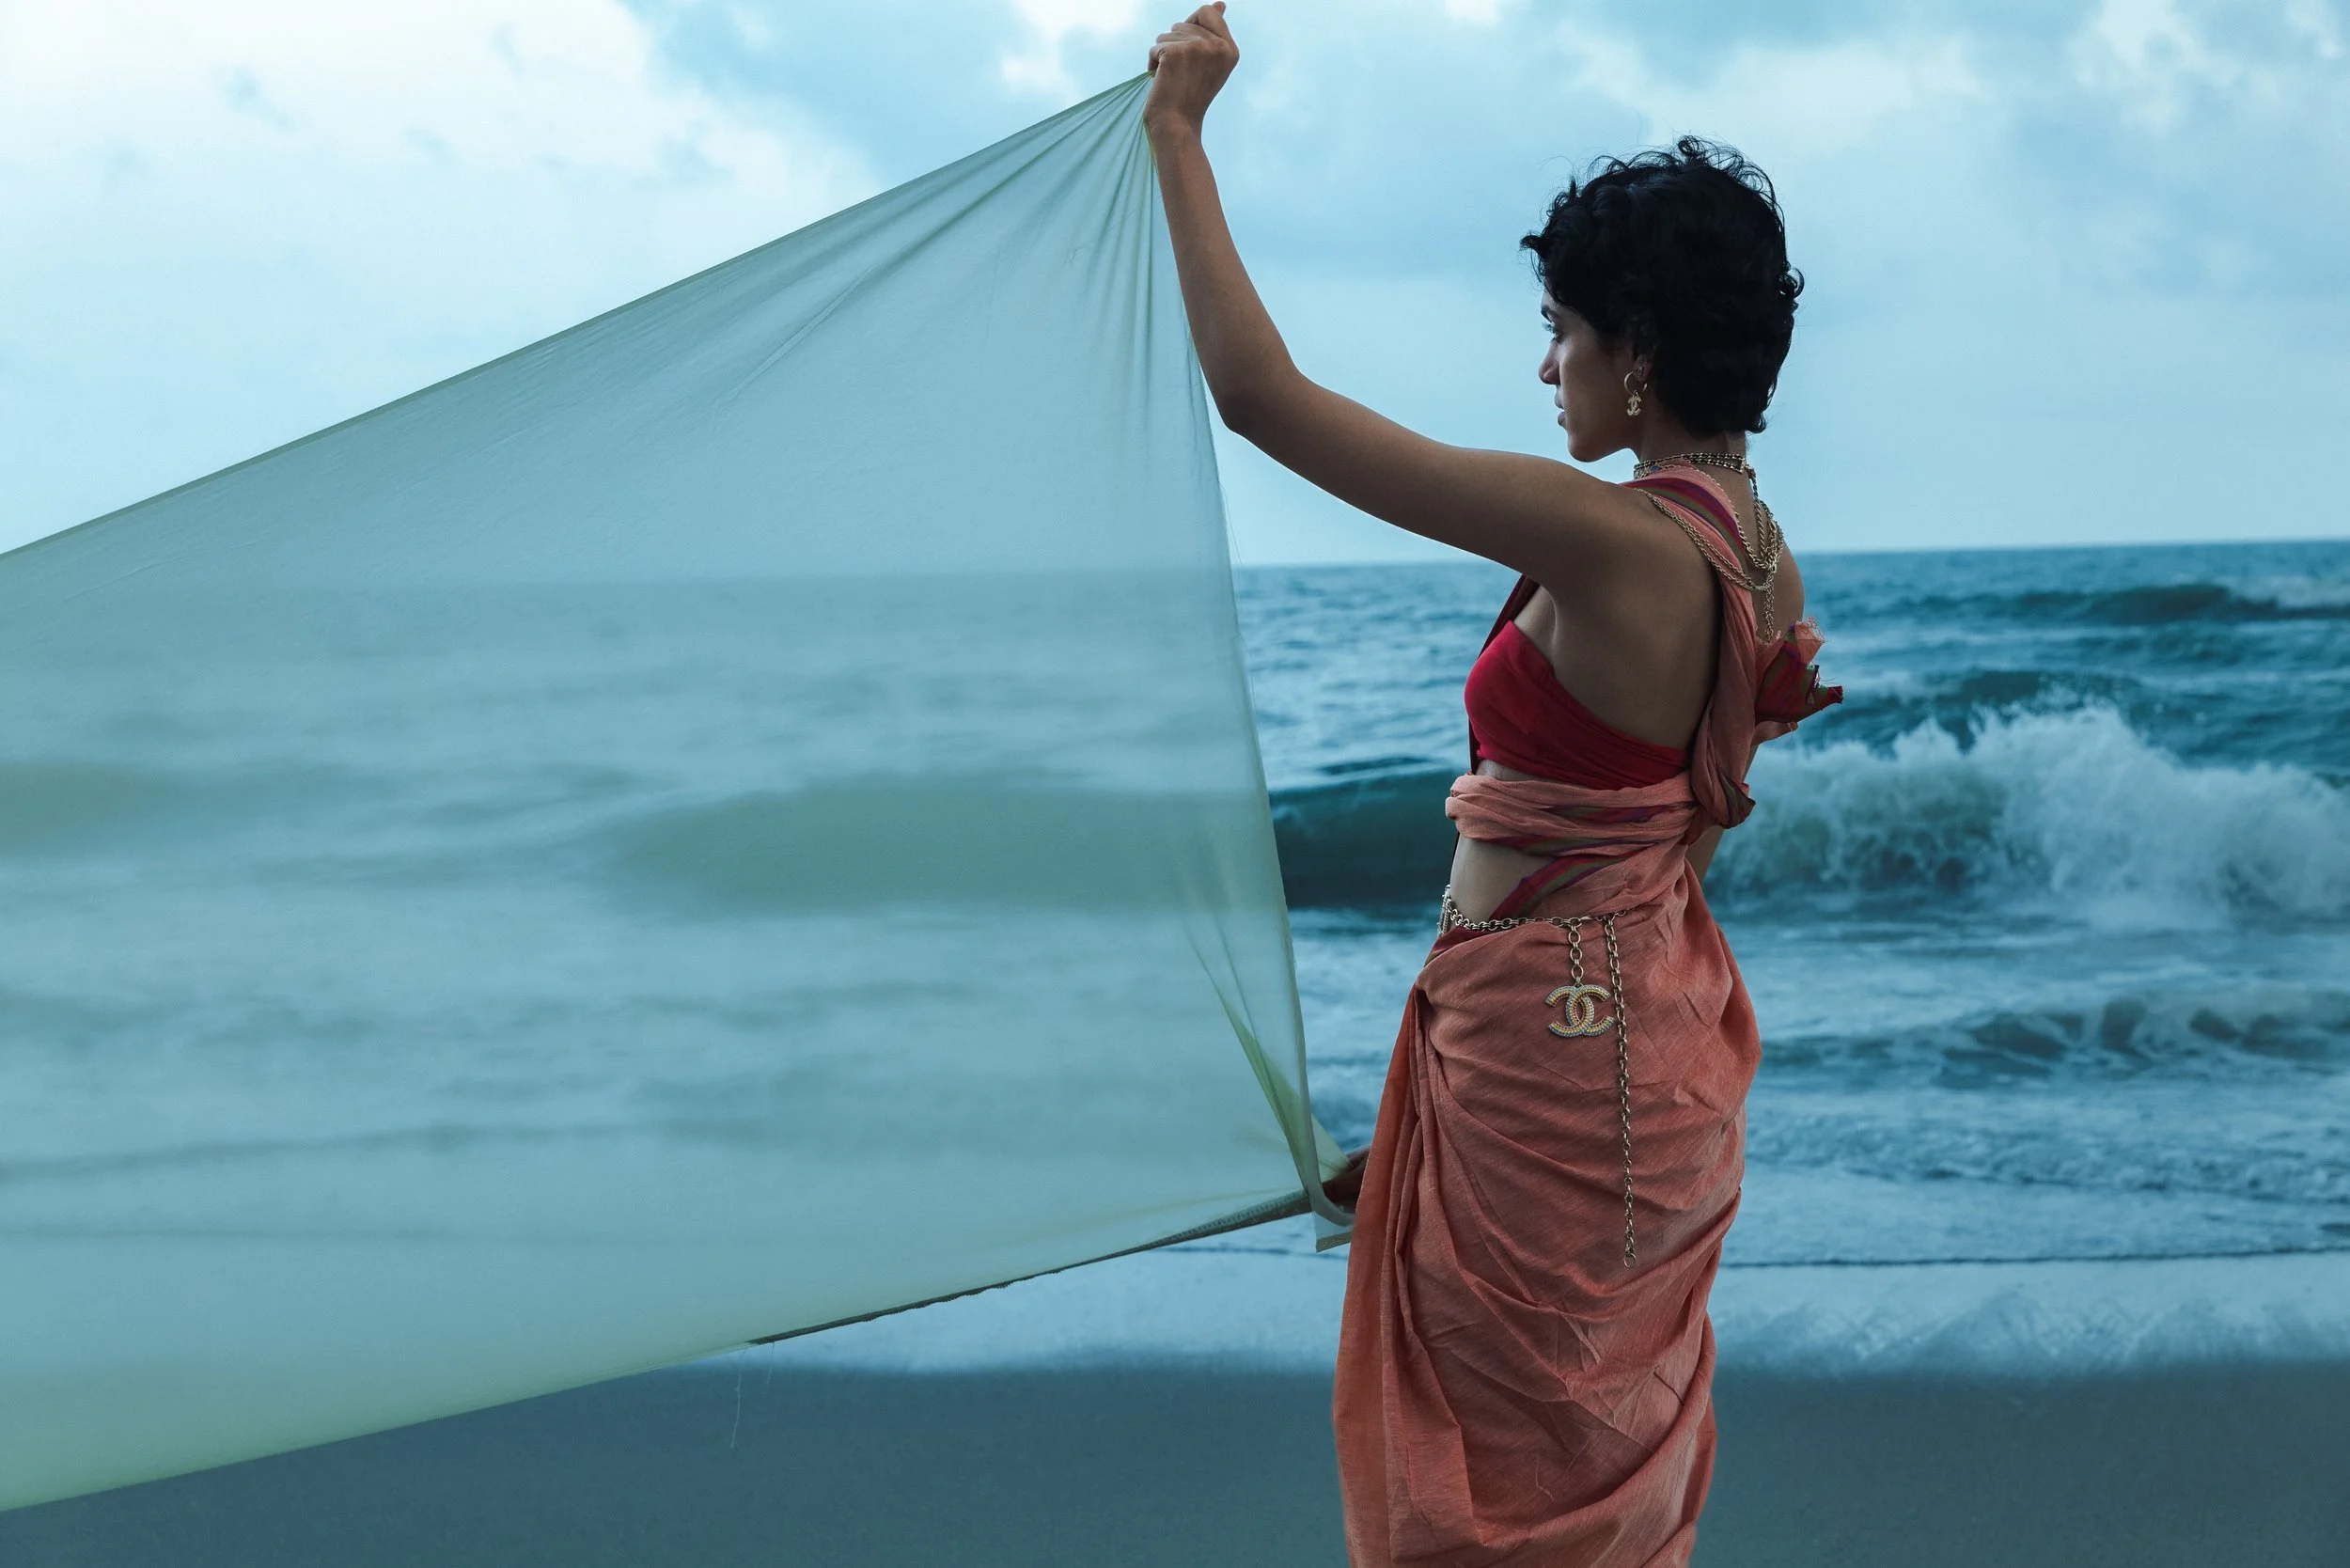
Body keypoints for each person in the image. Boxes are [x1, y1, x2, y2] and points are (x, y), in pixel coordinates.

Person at [1146, 8, 1842, 1565]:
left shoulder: (1606, 538)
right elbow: (1682, 841)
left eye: (1565, 331)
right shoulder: (1763, 553)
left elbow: (1260, 400)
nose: (1548, 366)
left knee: (1498, 1504)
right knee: (1572, 1480)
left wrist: (1179, 139)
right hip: (1646, 1046)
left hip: (1553, 1057)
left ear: (1638, 350)